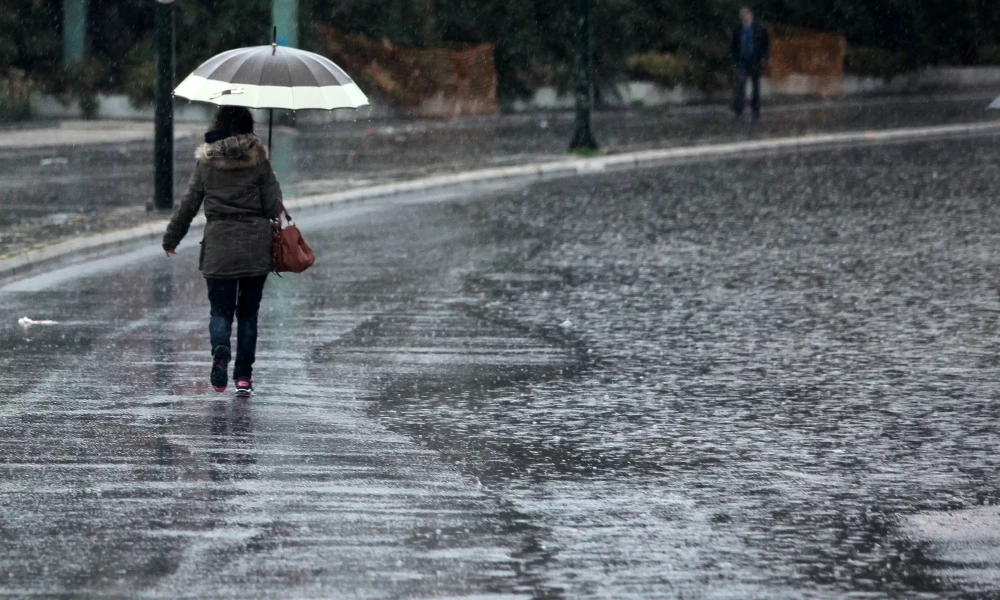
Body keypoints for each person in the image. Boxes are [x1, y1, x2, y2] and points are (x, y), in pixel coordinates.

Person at [162, 106, 282, 397]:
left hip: (219, 247)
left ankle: (220, 349)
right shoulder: (259, 160)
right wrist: (267, 171)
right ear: (247, 127)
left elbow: (189, 203)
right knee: (249, 313)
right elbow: (272, 206)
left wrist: (172, 238)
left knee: (221, 311)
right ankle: (243, 377)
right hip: (255, 246)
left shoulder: (207, 161)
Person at [730, 7, 771, 120]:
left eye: (747, 16)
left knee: (755, 84)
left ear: (751, 16)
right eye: (743, 17)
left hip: (755, 60)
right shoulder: (738, 29)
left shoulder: (760, 28)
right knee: (740, 82)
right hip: (742, 60)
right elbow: (734, 45)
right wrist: (735, 57)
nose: (745, 19)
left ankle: (755, 107)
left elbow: (766, 44)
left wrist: (764, 57)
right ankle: (739, 107)